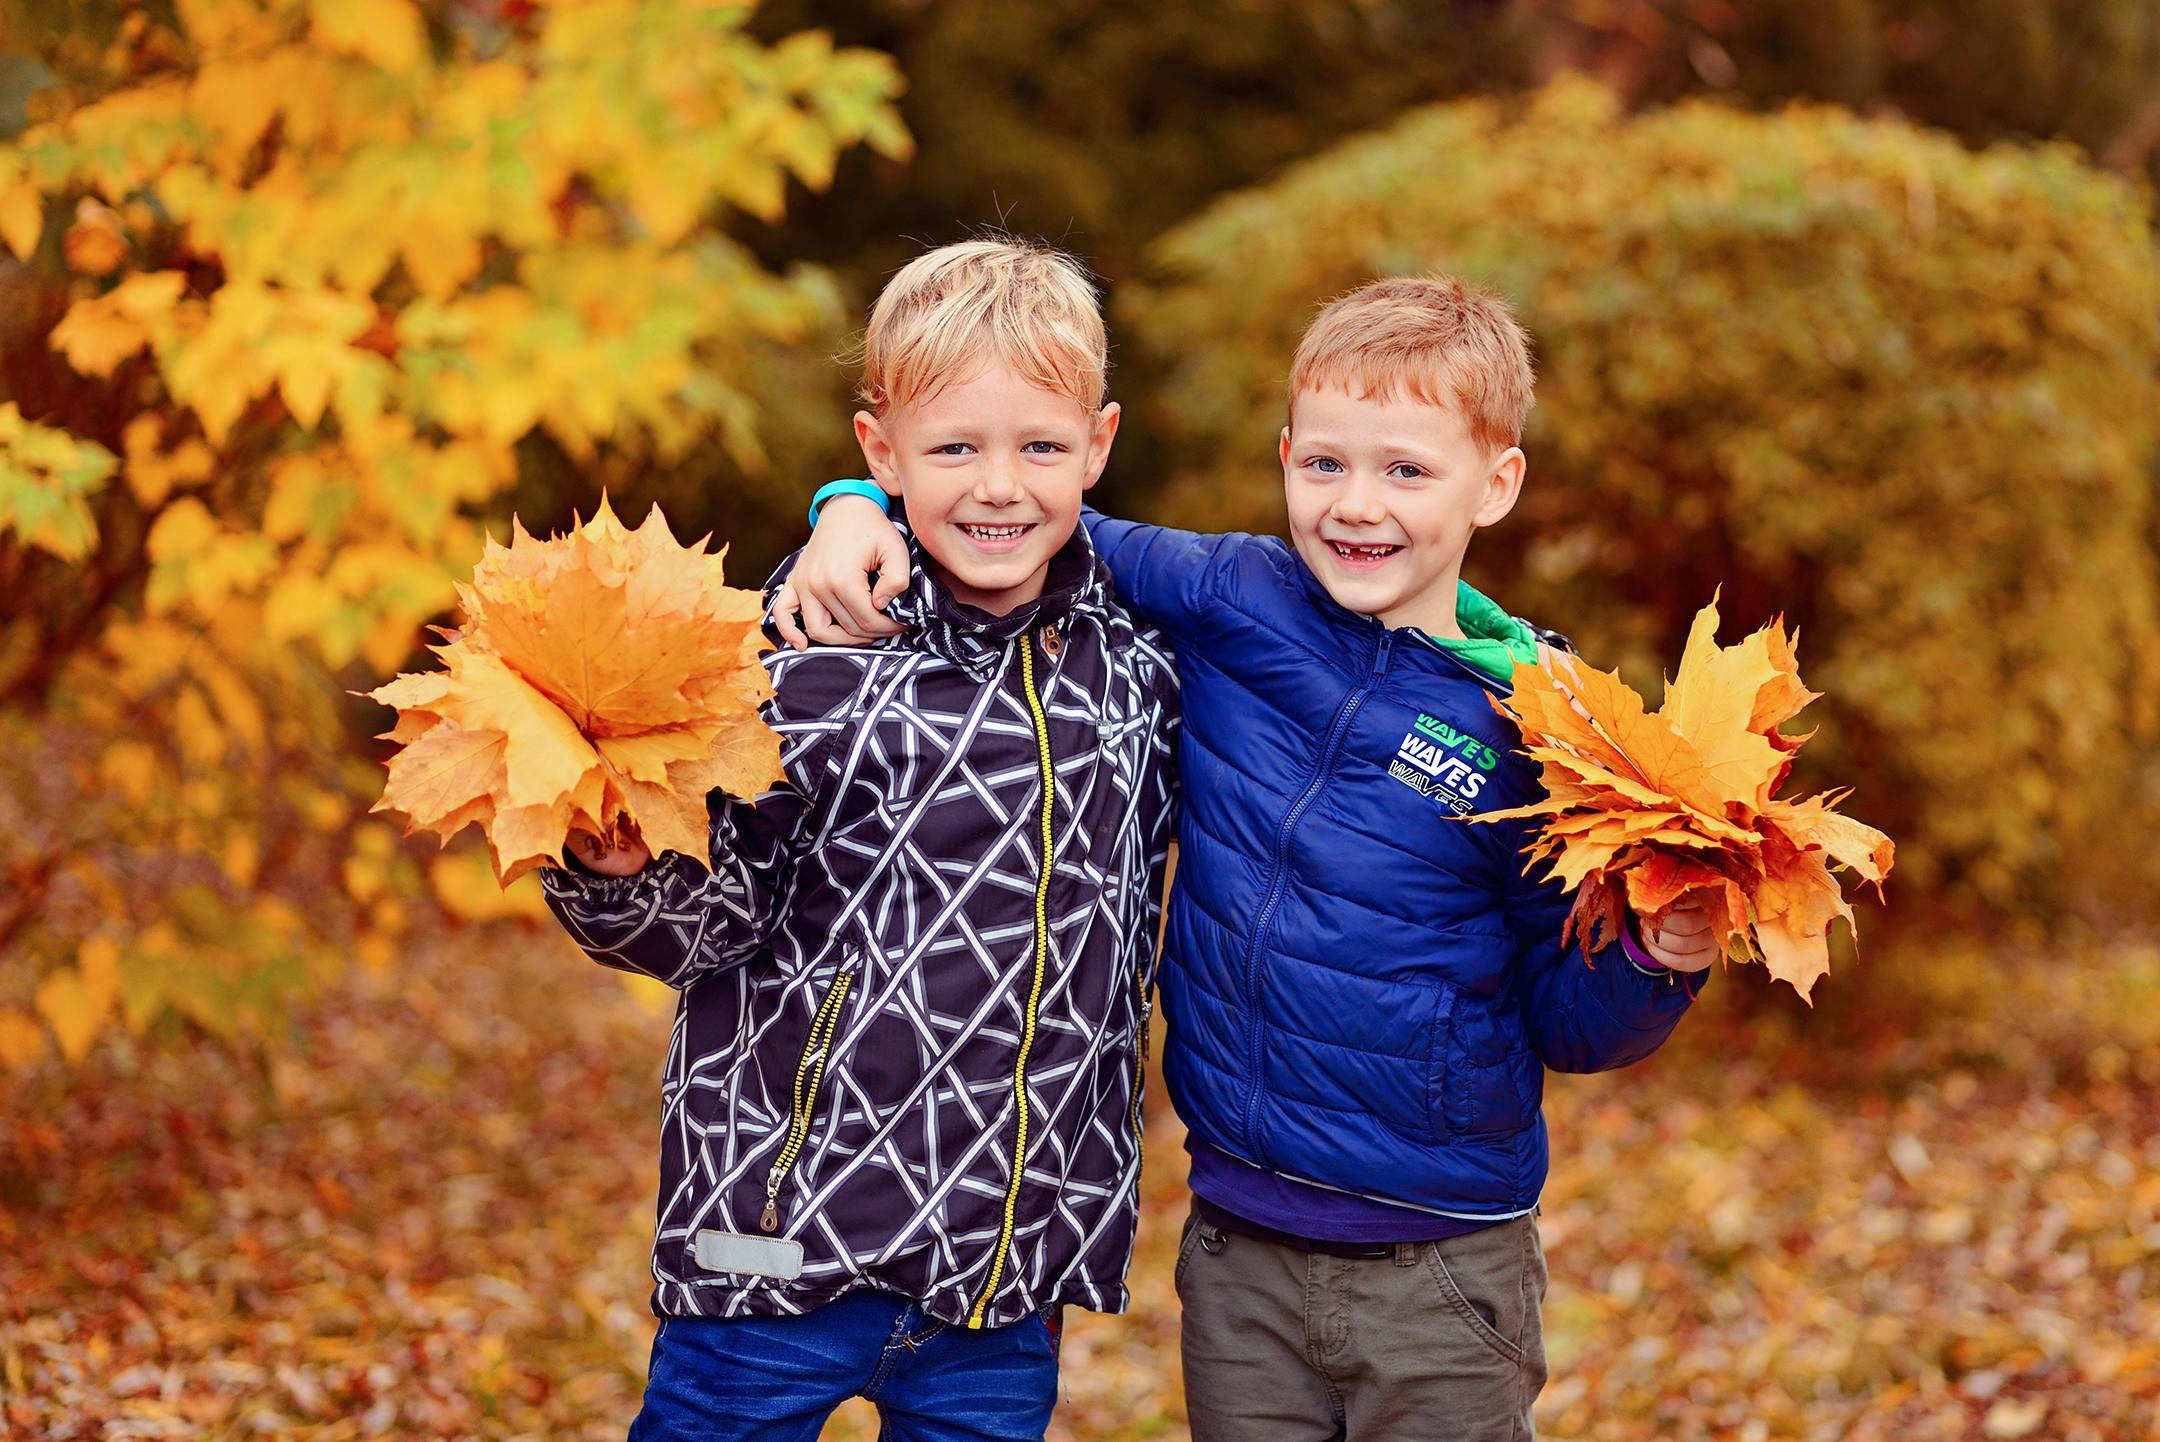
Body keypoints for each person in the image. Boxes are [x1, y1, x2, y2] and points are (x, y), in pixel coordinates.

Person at [776, 275, 1719, 1442]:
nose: (1357, 504)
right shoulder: (1234, 593)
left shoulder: (1537, 726)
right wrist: (852, 504)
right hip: (1238, 1247)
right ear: (1284, 458)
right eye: (1324, 465)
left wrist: (1655, 957)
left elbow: (1575, 1022)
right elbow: (1020, 505)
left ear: (1499, 481)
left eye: (1407, 470)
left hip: (1440, 1255)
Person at [545, 237, 1179, 1442]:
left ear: (1098, 443)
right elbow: (711, 925)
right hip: (774, 1238)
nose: (1000, 485)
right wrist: (620, 869)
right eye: (954, 448)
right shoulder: (802, 650)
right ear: (881, 453)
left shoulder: (1142, 662)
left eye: (1040, 446)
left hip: (1005, 1264)